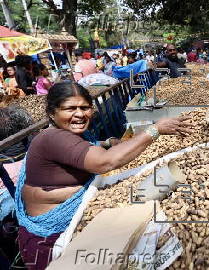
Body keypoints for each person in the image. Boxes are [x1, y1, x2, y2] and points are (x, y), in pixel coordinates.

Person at [15, 82, 192, 269]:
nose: (79, 114)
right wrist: (154, 130)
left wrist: (107, 142)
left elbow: (82, 148)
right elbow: (105, 163)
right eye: (70, 108)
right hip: (51, 237)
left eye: (85, 108)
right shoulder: (53, 138)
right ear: (52, 113)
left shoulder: (70, 134)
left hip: (73, 220)